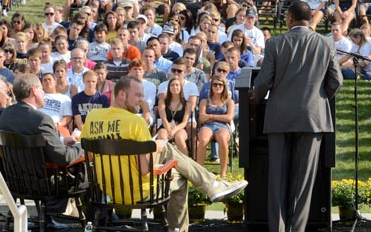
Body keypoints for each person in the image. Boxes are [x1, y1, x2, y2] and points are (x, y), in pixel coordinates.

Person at [80, 76, 248, 226]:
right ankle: (207, 194)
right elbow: (145, 170)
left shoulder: (93, 116)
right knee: (179, 175)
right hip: (140, 192)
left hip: (107, 191)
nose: (142, 100)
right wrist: (157, 147)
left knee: (163, 147)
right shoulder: (135, 123)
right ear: (122, 95)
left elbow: (89, 156)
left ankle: (213, 185)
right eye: (138, 95)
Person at [251, 1, 342, 232]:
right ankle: (298, 229)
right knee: (304, 182)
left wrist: (255, 98)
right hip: (313, 118)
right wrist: (319, 98)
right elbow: (336, 81)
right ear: (310, 17)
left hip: (279, 117)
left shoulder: (275, 43)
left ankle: (278, 229)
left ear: (289, 18)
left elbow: (263, 82)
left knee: (277, 180)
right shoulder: (325, 43)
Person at [0, 74, 85, 226]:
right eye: (41, 89)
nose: (44, 92)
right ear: (33, 91)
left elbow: (31, 140)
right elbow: (62, 158)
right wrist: (82, 147)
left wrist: (61, 140)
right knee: (86, 176)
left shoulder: (6, 114)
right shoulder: (41, 119)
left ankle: (49, 219)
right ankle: (94, 223)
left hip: (16, 182)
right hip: (43, 184)